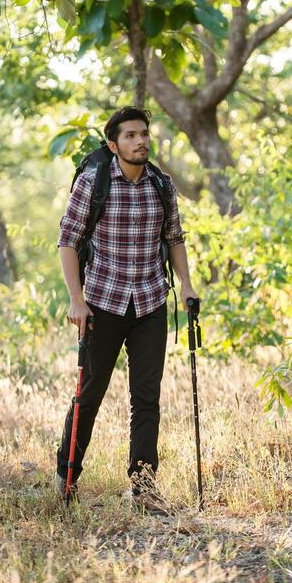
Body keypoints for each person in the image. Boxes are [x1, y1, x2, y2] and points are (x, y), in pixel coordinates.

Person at [54, 106, 199, 513]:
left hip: (151, 301)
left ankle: (143, 486)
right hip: (102, 302)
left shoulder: (161, 185)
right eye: (131, 135)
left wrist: (186, 284)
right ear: (113, 144)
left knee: (146, 396)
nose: (141, 141)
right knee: (90, 393)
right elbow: (68, 239)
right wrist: (76, 298)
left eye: (144, 134)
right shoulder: (94, 182)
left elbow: (174, 237)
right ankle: (67, 475)